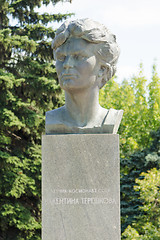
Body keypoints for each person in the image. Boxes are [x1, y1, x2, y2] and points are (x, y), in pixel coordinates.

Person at [45, 18, 123, 134]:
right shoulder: (52, 119)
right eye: (61, 58)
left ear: (103, 69)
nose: (67, 64)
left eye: (79, 57)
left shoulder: (109, 120)